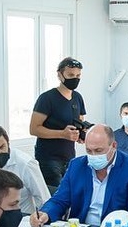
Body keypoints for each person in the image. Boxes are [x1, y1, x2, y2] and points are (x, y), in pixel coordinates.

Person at [29, 124, 128, 227]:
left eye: (98, 150)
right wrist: (45, 213)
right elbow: (60, 200)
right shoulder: (76, 166)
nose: (93, 155)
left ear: (113, 146)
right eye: (89, 151)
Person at [30, 56, 86, 187]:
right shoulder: (47, 98)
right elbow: (34, 129)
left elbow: (80, 122)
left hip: (69, 157)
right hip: (49, 159)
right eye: (70, 75)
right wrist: (62, 134)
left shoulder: (77, 97)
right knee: (55, 194)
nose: (75, 78)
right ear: (60, 75)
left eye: (78, 75)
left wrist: (81, 134)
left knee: (69, 193)